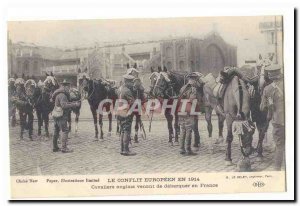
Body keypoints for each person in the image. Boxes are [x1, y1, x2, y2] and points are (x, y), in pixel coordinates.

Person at [260, 64, 285, 171]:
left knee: (279, 146)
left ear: (269, 76)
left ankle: (277, 169)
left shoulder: (267, 89)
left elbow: (262, 108)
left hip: (278, 121)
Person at [51, 79, 80, 153]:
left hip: (56, 115)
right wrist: (75, 104)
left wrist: (73, 102)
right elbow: (64, 106)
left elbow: (64, 103)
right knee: (65, 130)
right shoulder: (63, 95)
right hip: (61, 116)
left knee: (56, 131)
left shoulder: (58, 93)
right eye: (68, 87)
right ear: (64, 87)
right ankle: (64, 148)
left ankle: (55, 147)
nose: (69, 88)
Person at [178, 73, 202, 155]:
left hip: (181, 110)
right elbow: (192, 100)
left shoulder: (182, 88)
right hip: (189, 111)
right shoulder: (193, 89)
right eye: (195, 80)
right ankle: (188, 149)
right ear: (193, 80)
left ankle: (181, 149)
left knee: (183, 130)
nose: (196, 81)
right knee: (189, 130)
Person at [117, 74, 136, 156]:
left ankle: (122, 149)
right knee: (127, 130)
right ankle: (126, 150)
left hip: (120, 112)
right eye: (131, 82)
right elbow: (132, 102)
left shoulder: (120, 89)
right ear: (127, 82)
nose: (132, 84)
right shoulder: (127, 91)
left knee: (123, 130)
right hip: (126, 112)